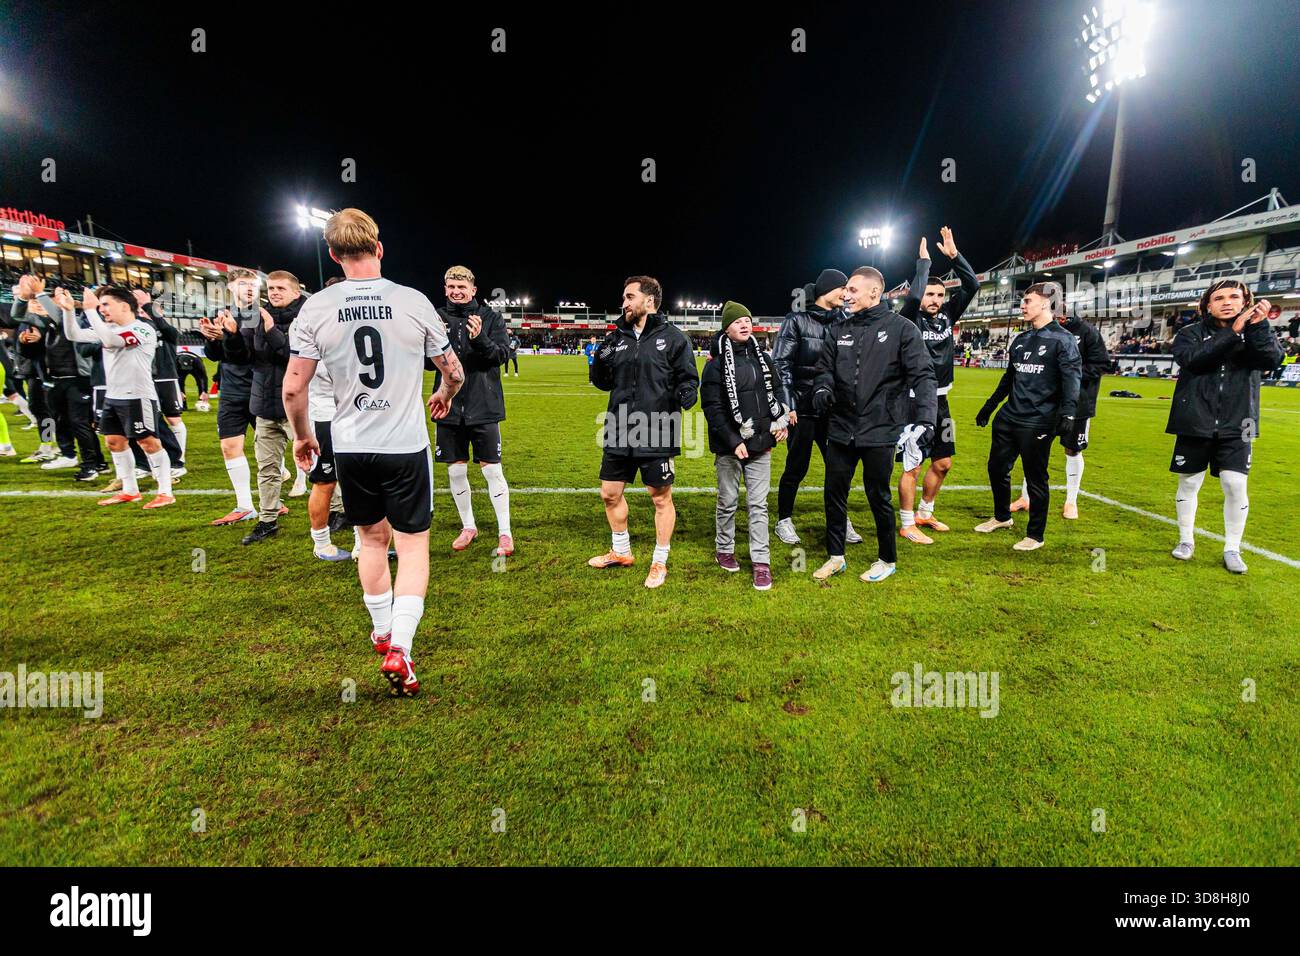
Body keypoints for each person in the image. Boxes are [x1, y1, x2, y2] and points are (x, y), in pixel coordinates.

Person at [284, 208, 464, 697]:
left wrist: (303, 436)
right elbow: (453, 371)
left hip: (351, 446)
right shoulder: (412, 301)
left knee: (370, 539)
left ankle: (382, 630)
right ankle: (401, 647)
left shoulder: (316, 308)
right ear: (379, 248)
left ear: (333, 255)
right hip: (404, 444)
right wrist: (444, 397)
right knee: (411, 545)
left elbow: (294, 389)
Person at [812, 267, 936, 583]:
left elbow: (923, 375)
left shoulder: (902, 329)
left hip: (880, 429)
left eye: (853, 290)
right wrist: (823, 388)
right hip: (840, 427)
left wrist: (926, 419)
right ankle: (836, 556)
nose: (846, 295)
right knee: (833, 493)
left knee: (877, 495)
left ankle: (886, 559)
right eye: (845, 290)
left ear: (874, 292)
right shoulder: (838, 330)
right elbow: (824, 369)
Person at [588, 275, 699, 589]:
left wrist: (688, 392)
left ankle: (659, 561)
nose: (623, 303)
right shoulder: (616, 338)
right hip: (618, 426)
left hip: (658, 428)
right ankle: (621, 552)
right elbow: (603, 382)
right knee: (609, 493)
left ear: (648, 301)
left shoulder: (675, 339)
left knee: (660, 498)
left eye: (628, 296)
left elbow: (688, 378)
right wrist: (600, 362)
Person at [1166, 280, 1281, 574]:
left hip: (1240, 420)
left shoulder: (1256, 332)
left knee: (1235, 483)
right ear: (1207, 305)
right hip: (1195, 419)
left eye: (1234, 297)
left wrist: (1258, 327)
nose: (1227, 302)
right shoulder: (1189, 333)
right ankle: (1185, 540)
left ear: (1245, 301)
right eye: (1219, 298)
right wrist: (1233, 332)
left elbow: (1272, 359)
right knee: (1189, 482)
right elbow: (1193, 360)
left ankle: (1232, 547)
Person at [37, 283, 175, 508]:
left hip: (137, 396)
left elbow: (111, 342)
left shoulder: (142, 329)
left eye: (106, 305)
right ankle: (130, 490)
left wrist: (90, 310)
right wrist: (69, 311)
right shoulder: (108, 329)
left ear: (124, 306)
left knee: (148, 442)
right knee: (114, 442)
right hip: (113, 397)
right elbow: (74, 335)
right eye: (100, 306)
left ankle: (165, 492)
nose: (102, 309)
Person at [974, 282, 1081, 550]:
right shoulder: (1021, 339)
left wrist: (1068, 416)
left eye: (1028, 300)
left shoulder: (1063, 340)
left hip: (1038, 420)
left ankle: (1035, 535)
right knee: (996, 469)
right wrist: (990, 405)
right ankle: (1001, 517)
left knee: (1036, 478)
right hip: (1009, 417)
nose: (1022, 305)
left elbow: (1072, 381)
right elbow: (1009, 378)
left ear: (1045, 303)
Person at [896, 228, 979, 543]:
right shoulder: (908, 318)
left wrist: (955, 256)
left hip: (942, 402)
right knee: (912, 467)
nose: (935, 300)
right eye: (931, 294)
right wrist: (924, 265)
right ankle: (906, 524)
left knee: (943, 463)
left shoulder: (947, 316)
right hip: (914, 404)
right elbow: (914, 296)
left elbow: (972, 285)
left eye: (940, 295)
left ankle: (924, 514)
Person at [772, 269, 864, 547]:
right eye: (843, 289)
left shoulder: (847, 320)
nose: (846, 294)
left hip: (834, 410)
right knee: (796, 468)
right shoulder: (796, 321)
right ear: (828, 289)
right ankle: (783, 520)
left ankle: (840, 519)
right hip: (801, 410)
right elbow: (781, 365)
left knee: (838, 469)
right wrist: (788, 404)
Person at [700, 302, 789, 590]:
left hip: (761, 442)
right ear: (726, 327)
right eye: (737, 321)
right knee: (727, 501)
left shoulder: (763, 358)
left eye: (748, 320)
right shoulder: (714, 365)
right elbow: (712, 408)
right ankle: (724, 549)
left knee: (758, 505)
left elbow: (775, 393)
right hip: (730, 447)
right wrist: (733, 439)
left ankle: (761, 562)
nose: (744, 324)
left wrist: (780, 423)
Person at [435, 265, 514, 556]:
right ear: (445, 289)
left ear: (473, 290)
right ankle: (468, 526)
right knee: (455, 472)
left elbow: (501, 355)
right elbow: (422, 360)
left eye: (462, 287)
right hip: (448, 406)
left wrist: (480, 338)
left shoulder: (491, 317)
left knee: (492, 470)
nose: (456, 292)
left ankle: (505, 533)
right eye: (451, 287)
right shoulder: (437, 317)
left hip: (484, 405)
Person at [8, 285, 104, 479]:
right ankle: (57, 449)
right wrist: (27, 340)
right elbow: (18, 322)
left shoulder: (72, 319)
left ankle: (53, 448)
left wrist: (42, 296)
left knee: (72, 421)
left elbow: (61, 318)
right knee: (44, 413)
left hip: (71, 379)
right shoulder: (41, 323)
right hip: (44, 378)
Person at [238, 270, 305, 545]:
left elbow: (296, 357)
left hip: (299, 406)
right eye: (271, 288)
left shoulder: (306, 318)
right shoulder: (257, 315)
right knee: (267, 467)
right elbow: (242, 357)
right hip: (264, 403)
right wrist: (228, 336)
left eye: (280, 288)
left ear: (295, 292)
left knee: (319, 465)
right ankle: (268, 520)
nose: (274, 293)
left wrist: (270, 330)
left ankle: (338, 511)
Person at [199, 270, 262, 525]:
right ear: (231, 288)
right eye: (244, 284)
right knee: (229, 447)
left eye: (253, 285)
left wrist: (230, 336)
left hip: (260, 391)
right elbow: (216, 357)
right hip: (232, 392)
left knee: (273, 449)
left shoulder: (260, 316)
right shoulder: (225, 315)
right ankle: (245, 506)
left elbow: (246, 355)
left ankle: (277, 495)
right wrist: (212, 339)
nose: (249, 289)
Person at [174, 347, 210, 412]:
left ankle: (202, 401)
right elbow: (173, 378)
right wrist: (179, 391)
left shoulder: (198, 362)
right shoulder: (175, 362)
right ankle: (183, 405)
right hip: (180, 370)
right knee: (180, 382)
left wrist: (205, 391)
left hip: (194, 367)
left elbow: (203, 378)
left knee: (200, 382)